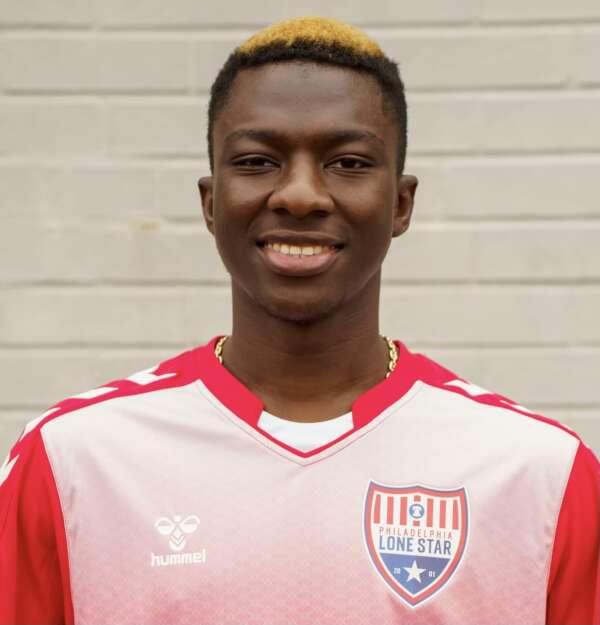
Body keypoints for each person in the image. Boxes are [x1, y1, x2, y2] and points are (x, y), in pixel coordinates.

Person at [0, 16, 598, 625]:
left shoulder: (540, 474)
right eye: (258, 161)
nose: (301, 195)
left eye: (349, 162)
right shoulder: (73, 460)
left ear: (400, 204)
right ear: (211, 203)